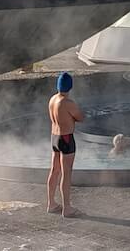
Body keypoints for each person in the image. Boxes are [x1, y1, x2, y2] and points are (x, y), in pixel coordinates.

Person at [46, 72, 83, 217]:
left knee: (54, 170)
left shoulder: (52, 99)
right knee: (66, 173)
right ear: (70, 86)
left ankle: (51, 203)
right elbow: (80, 117)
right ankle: (67, 208)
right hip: (66, 138)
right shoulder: (67, 103)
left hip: (54, 137)